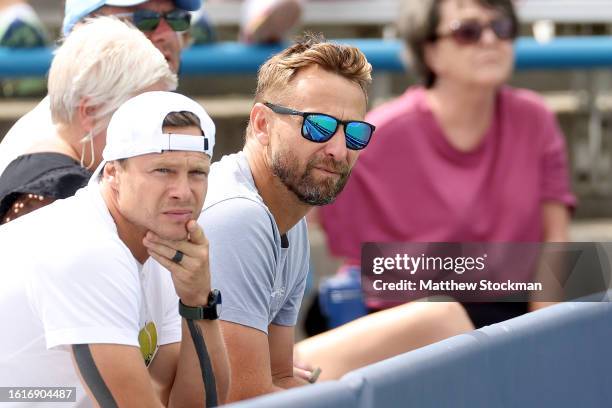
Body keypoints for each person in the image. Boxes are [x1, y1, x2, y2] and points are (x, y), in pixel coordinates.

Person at [182, 33, 472, 399]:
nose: (337, 150)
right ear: (262, 124)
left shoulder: (291, 211)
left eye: (354, 133)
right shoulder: (240, 215)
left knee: (442, 322)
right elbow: (246, 398)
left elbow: (281, 374)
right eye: (317, 126)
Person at [318, 0, 576, 328]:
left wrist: (547, 336)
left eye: (502, 28)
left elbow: (555, 243)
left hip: (511, 316)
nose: (489, 40)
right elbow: (333, 242)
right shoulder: (377, 136)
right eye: (467, 31)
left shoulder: (535, 120)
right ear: (430, 51)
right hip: (404, 322)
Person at [0, 90, 229, 407]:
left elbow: (189, 401)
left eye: (197, 173)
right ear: (112, 174)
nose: (183, 192)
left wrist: (199, 302)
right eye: (163, 170)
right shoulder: (87, 249)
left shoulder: (160, 244)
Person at [0, 16, 177, 224]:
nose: (157, 133)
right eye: (143, 116)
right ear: (91, 112)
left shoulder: (31, 160)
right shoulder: (66, 193)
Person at [0, 0, 201, 175]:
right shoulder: (48, 165)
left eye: (176, 18)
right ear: (85, 30)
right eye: (145, 18)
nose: (165, 33)